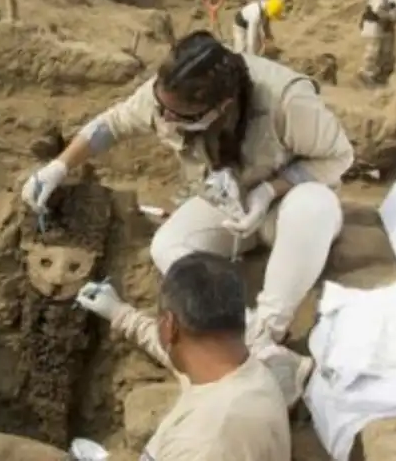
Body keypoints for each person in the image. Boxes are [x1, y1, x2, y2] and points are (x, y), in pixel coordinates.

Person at [21, 29, 351, 364]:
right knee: (166, 246)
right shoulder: (168, 95)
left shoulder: (287, 101)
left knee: (313, 206)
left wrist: (268, 192)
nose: (164, 119)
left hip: (288, 208)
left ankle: (267, 329)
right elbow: (113, 124)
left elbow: (338, 158)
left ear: (220, 107)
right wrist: (59, 167)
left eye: (177, 117)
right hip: (229, 203)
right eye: (162, 108)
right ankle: (240, 327)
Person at [75, 251, 292, 460]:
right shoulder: (243, 372)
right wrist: (119, 313)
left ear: (169, 326)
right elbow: (178, 350)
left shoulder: (204, 443)